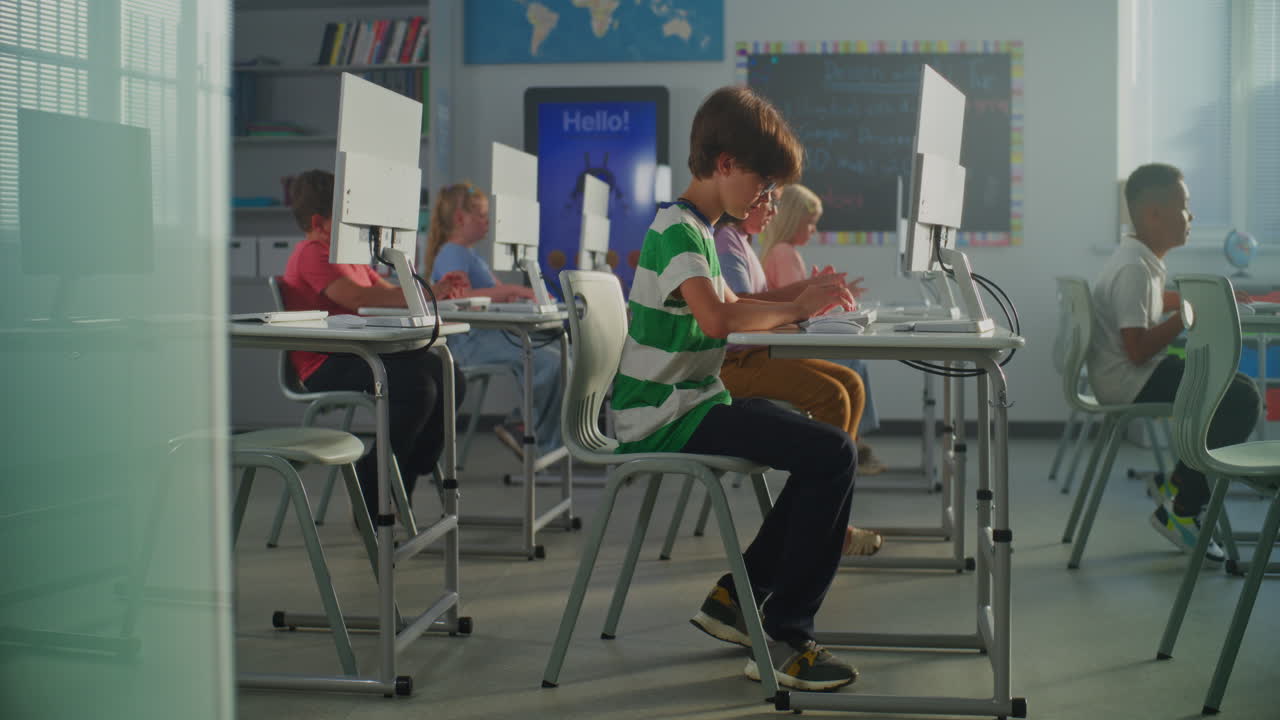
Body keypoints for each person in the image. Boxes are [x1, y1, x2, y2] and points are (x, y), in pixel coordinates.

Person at [613, 85, 860, 691]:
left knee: (823, 449)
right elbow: (717, 320)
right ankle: (786, 637)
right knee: (833, 454)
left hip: (692, 403)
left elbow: (734, 299)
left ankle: (736, 599)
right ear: (726, 165)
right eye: (764, 185)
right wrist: (795, 304)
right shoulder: (676, 229)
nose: (766, 199)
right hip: (665, 414)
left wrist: (802, 298)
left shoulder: (697, 228)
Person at [1088, 163, 1260, 561]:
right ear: (1154, 215)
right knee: (1239, 399)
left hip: (1131, 374)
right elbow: (1138, 349)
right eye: (1185, 207)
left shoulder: (1138, 258)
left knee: (1236, 387)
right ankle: (1183, 512)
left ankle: (1182, 478)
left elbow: (1150, 302)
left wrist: (1189, 301)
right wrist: (1187, 316)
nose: (1191, 216)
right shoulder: (1133, 267)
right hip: (1131, 379)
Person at [278, 169, 469, 522]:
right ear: (320, 223)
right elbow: (357, 298)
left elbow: (383, 293)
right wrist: (423, 293)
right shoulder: (311, 253)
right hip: (325, 362)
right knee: (418, 388)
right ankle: (376, 474)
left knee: (447, 372)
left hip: (360, 352)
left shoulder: (347, 257)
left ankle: (408, 470)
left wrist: (433, 290)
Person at [715, 188, 883, 556]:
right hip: (733, 365)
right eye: (767, 200)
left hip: (755, 354)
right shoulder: (726, 243)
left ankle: (831, 517)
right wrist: (800, 305)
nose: (773, 209)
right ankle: (825, 527)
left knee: (851, 384)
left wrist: (807, 294)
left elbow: (758, 305)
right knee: (831, 395)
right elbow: (741, 317)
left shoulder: (744, 244)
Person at [424, 182, 564, 459]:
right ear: (460, 218)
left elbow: (493, 294)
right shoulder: (453, 251)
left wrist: (515, 297)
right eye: (481, 215)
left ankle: (527, 425)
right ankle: (537, 438)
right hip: (470, 342)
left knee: (561, 355)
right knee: (552, 362)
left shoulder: (470, 255)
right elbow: (460, 295)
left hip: (487, 336)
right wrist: (515, 290)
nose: (487, 222)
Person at [757, 184, 888, 473]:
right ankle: (853, 443)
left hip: (787, 340)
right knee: (854, 364)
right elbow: (801, 312)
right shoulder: (785, 253)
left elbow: (800, 308)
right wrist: (826, 299)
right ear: (793, 220)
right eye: (811, 223)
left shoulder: (780, 251)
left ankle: (855, 441)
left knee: (854, 364)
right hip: (790, 348)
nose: (814, 230)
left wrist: (829, 297)